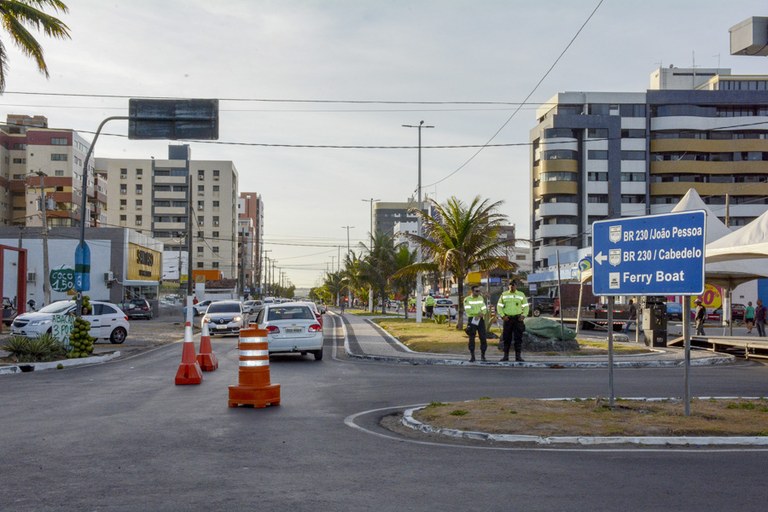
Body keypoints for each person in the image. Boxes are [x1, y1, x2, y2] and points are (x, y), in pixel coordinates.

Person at [497, 280, 529, 362]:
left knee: (518, 338)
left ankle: (518, 357)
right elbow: (499, 306)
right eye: (510, 286)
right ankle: (505, 356)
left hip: (518, 319)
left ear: (516, 286)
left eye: (513, 286)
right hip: (508, 319)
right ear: (508, 286)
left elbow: (526, 306)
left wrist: (523, 315)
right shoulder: (504, 295)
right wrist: (503, 316)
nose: (512, 287)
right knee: (506, 338)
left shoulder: (521, 295)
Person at [463, 286, 488, 362]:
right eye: (476, 291)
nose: (478, 292)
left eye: (479, 291)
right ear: (472, 291)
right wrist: (477, 314)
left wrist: (482, 313)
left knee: (483, 337)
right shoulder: (467, 299)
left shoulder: (480, 298)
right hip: (472, 319)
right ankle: (472, 356)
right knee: (471, 338)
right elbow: (468, 310)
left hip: (480, 319)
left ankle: (483, 355)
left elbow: (484, 308)